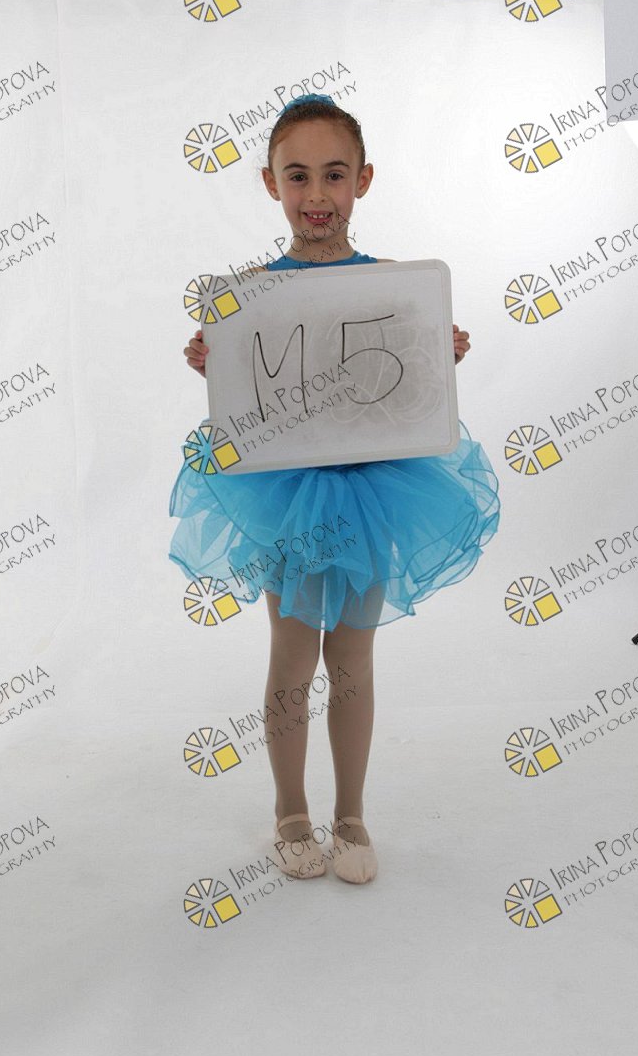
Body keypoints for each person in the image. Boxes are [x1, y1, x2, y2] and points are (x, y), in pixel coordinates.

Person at [170, 93, 500, 885]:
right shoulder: (250, 295)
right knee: (292, 653)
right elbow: (253, 391)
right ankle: (291, 812)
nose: (317, 195)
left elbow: (405, 383)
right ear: (270, 184)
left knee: (352, 654)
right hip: (287, 495)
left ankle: (350, 815)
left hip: (373, 490)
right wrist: (214, 361)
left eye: (334, 175)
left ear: (363, 180)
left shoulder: (391, 284)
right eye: (298, 176)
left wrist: (436, 347)